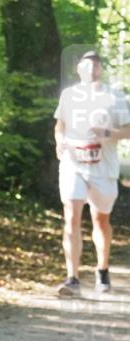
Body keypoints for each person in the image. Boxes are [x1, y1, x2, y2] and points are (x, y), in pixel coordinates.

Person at [55, 50, 129, 297]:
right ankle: (72, 278)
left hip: (102, 167)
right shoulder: (68, 96)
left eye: (96, 65)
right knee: (71, 216)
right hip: (72, 164)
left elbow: (128, 130)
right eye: (87, 65)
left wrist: (108, 133)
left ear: (101, 69)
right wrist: (59, 141)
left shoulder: (115, 97)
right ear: (78, 69)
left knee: (100, 220)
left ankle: (102, 270)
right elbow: (60, 125)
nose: (91, 69)